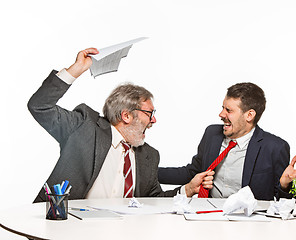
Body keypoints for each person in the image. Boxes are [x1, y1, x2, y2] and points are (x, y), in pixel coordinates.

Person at [28, 48, 205, 203]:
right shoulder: (83, 128)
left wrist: (187, 190)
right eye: (149, 114)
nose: (153, 121)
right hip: (66, 230)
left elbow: (153, 202)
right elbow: (40, 106)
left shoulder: (149, 156)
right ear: (126, 115)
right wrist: (75, 70)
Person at [158, 82, 296, 200]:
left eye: (229, 110)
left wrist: (285, 185)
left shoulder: (275, 147)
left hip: (250, 224)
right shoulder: (212, 134)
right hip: (209, 217)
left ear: (249, 115)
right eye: (223, 108)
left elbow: (283, 203)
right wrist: (147, 173)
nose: (221, 114)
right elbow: (192, 172)